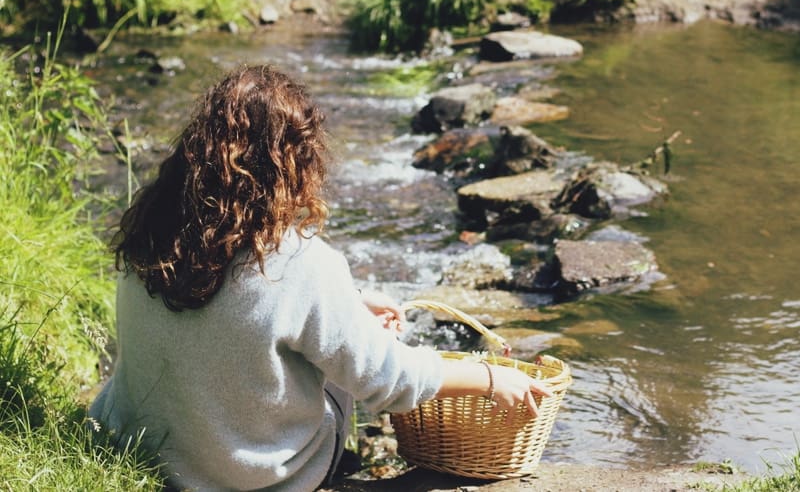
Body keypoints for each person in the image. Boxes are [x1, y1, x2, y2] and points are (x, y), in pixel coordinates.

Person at [89, 64, 549, 491]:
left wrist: (352, 301)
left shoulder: (153, 233)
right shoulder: (299, 263)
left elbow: (242, 304)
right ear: (290, 163)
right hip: (251, 476)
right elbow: (387, 379)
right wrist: (486, 377)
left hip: (144, 452)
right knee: (338, 376)